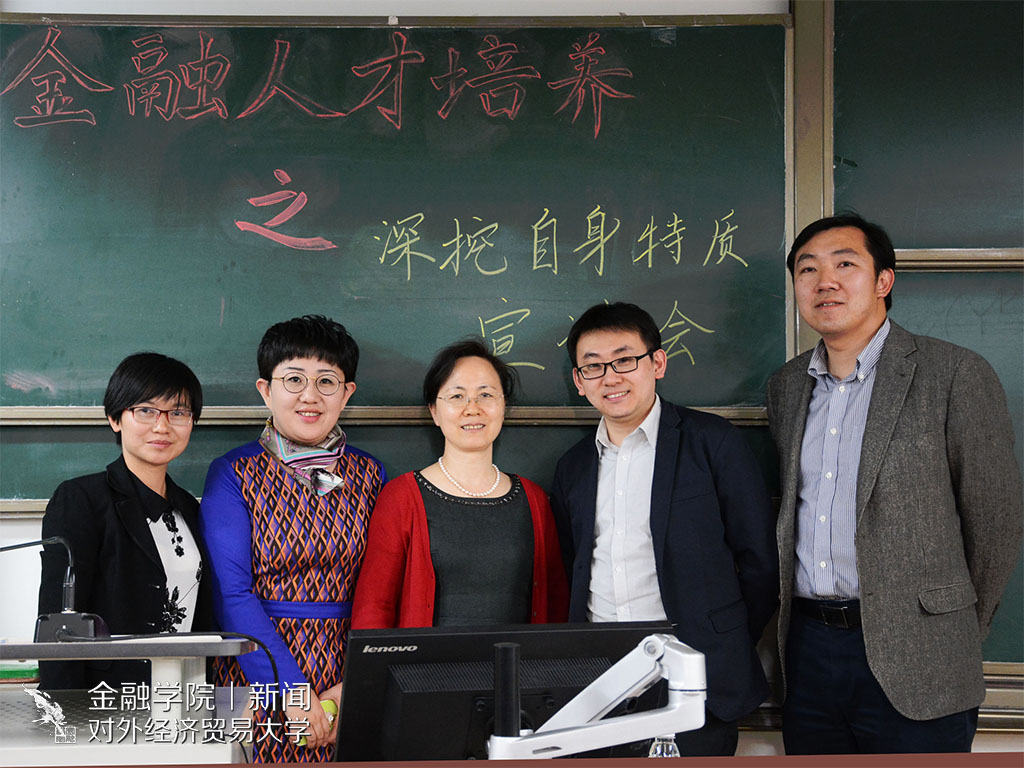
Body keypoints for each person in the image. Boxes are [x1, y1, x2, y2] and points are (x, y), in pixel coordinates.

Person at [767, 214, 1022, 754]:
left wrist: (951, 628)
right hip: (809, 651)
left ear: (884, 280)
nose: (824, 281)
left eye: (845, 264)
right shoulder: (787, 386)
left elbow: (995, 521)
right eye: (807, 270)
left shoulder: (954, 373)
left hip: (921, 651)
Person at [550, 302, 777, 756]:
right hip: (600, 686)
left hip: (695, 680)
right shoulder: (573, 467)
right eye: (593, 366)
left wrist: (720, 639)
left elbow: (761, 564)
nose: (610, 377)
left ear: (657, 362)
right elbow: (573, 564)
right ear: (578, 380)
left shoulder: (713, 442)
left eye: (624, 360)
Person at [200, 315, 385, 762]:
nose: (310, 395)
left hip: (347, 669)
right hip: (257, 667)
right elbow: (232, 593)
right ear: (266, 390)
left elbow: (382, 588)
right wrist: (288, 688)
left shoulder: (371, 474)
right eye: (294, 379)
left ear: (347, 392)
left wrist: (358, 680)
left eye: (327, 381)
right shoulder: (233, 473)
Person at [351, 339, 567, 630]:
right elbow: (374, 607)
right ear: (434, 411)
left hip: (519, 660)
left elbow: (556, 605)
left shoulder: (534, 500)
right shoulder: (401, 497)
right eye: (457, 396)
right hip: (428, 661)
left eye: (486, 395)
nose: (472, 408)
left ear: (504, 406)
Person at [38, 352, 211, 690]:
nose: (162, 426)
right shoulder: (81, 500)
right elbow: (59, 625)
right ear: (115, 418)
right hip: (108, 697)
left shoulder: (189, 509)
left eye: (178, 412)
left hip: (185, 690)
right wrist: (63, 711)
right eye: (146, 410)